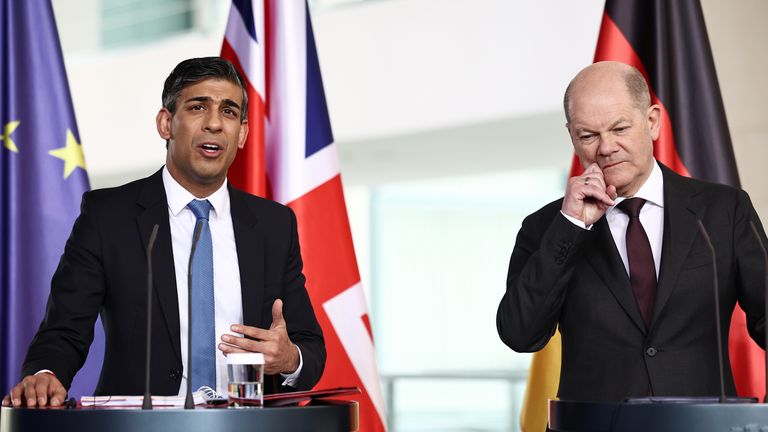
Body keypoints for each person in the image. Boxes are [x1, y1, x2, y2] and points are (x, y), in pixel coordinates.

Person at [2, 57, 325, 408]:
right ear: (166, 122)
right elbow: (64, 328)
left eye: (229, 112)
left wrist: (290, 358)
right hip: (138, 426)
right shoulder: (109, 216)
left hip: (244, 424)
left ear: (243, 133)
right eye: (198, 107)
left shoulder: (274, 224)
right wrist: (46, 375)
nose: (214, 123)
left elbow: (308, 345)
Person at [497, 61, 767, 402]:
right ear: (572, 136)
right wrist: (571, 227)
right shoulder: (546, 227)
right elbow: (520, 334)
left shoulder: (723, 211)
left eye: (619, 129)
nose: (606, 147)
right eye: (588, 135)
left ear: (652, 122)